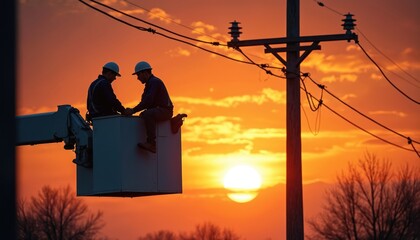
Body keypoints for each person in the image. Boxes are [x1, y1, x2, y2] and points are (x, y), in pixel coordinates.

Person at [126, 61, 173, 153]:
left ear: (144, 73)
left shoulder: (154, 82)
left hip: (165, 111)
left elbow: (148, 101)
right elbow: (145, 101)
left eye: (138, 75)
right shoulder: (150, 83)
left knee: (147, 114)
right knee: (144, 114)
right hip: (160, 110)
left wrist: (133, 110)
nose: (138, 78)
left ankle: (151, 143)